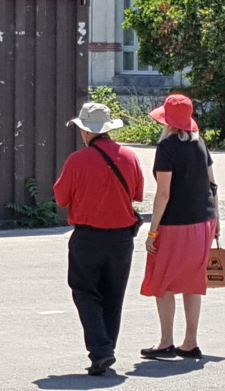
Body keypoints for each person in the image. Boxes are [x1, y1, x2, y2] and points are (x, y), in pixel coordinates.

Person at [54, 102, 144, 376]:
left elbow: (61, 198)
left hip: (88, 236)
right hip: (121, 239)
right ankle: (107, 349)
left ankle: (101, 350)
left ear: (85, 130)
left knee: (85, 292)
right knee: (113, 295)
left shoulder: (77, 160)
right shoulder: (130, 157)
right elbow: (137, 194)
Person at [140, 94, 219, 361]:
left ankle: (165, 341)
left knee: (162, 282)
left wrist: (152, 231)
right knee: (192, 282)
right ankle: (190, 342)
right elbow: (212, 184)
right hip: (204, 220)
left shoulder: (167, 148)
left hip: (176, 224)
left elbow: (163, 193)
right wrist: (217, 221)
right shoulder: (200, 144)